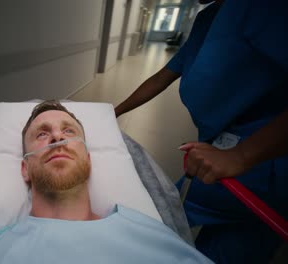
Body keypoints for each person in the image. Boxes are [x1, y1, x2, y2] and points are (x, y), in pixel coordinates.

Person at [115, 0, 288, 263]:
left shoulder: (267, 8)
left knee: (168, 224)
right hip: (218, 149)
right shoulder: (210, 16)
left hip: (263, 166)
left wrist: (241, 156)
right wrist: (114, 111)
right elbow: (164, 75)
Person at [0, 100, 212, 264]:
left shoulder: (153, 238)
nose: (58, 137)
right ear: (25, 169)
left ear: (89, 160)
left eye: (69, 131)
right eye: (42, 134)